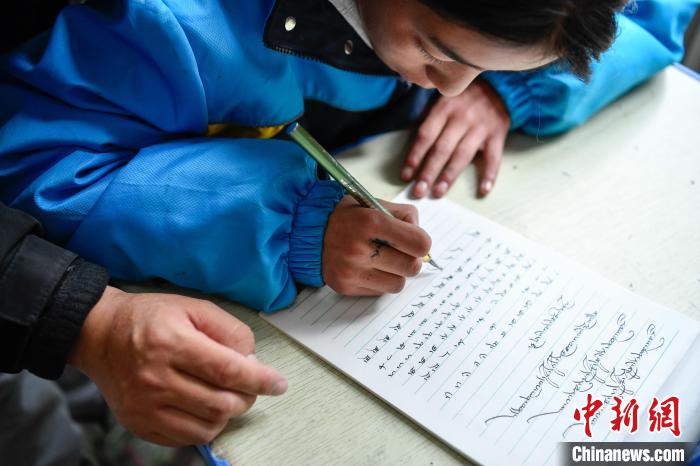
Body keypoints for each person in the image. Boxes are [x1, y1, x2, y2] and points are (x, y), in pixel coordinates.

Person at [0, 0, 697, 316]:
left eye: (484, 69)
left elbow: (656, 12)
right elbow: (42, 173)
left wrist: (512, 92)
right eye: (438, 54)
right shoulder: (168, 23)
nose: (453, 88)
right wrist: (291, 227)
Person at [0, 200, 288, 463]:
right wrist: (98, 325)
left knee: (87, 387)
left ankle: (113, 432)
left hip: (40, 259)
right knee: (33, 435)